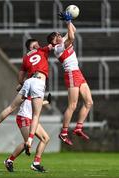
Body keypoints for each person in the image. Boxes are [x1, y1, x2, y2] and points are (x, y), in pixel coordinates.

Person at [0, 39, 52, 150]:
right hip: (39, 81)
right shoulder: (41, 50)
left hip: (28, 82)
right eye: (37, 44)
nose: (39, 45)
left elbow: (20, 77)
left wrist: (22, 84)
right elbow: (55, 44)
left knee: (11, 107)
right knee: (36, 115)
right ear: (33, 47)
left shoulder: (25, 58)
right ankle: (30, 140)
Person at [47, 12, 93, 145]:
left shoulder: (62, 41)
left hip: (78, 73)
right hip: (71, 74)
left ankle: (78, 128)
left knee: (89, 102)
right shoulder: (58, 48)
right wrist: (67, 22)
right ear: (53, 42)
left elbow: (73, 30)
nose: (59, 36)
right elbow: (72, 36)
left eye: (59, 35)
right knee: (72, 105)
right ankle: (63, 133)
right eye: (57, 36)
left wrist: (69, 21)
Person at [0, 94, 51, 173]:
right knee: (28, 141)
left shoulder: (38, 86)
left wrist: (46, 102)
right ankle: (9, 161)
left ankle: (36, 163)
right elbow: (21, 90)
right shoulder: (30, 83)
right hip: (24, 117)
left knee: (45, 138)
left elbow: (35, 103)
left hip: (32, 118)